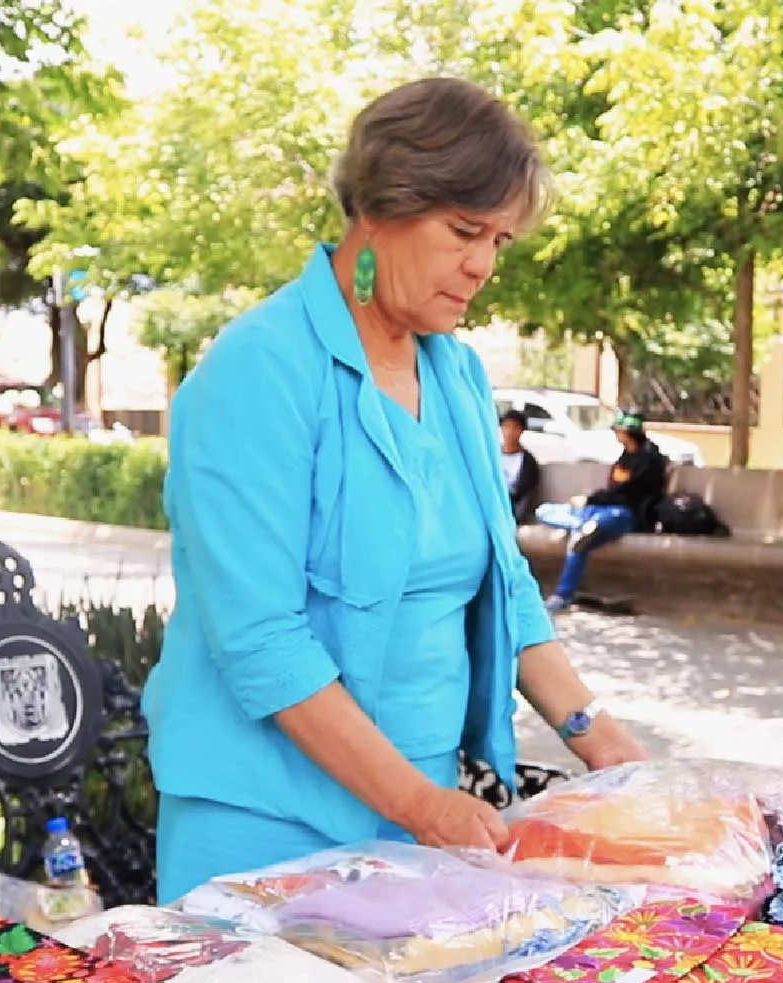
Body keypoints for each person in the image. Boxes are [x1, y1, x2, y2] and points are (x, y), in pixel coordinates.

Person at [141, 77, 650, 903]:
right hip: (265, 817)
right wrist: (418, 806)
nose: (482, 265)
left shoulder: (455, 373)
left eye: (500, 242)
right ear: (381, 207)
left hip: (422, 803)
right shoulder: (258, 369)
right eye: (463, 231)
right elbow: (260, 639)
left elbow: (503, 584)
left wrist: (597, 736)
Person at [546, 412, 667, 612]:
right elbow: (612, 490)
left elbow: (625, 493)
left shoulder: (649, 461)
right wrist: (590, 503)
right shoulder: (624, 456)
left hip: (624, 514)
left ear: (629, 433)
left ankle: (562, 595)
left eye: (619, 431)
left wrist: (589, 499)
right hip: (599, 511)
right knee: (545, 511)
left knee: (580, 541)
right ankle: (581, 525)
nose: (616, 435)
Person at [500, 409, 543, 523]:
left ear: (522, 431)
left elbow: (525, 494)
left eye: (515, 427)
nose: (509, 432)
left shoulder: (528, 462)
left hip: (513, 507)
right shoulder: (492, 456)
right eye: (506, 427)